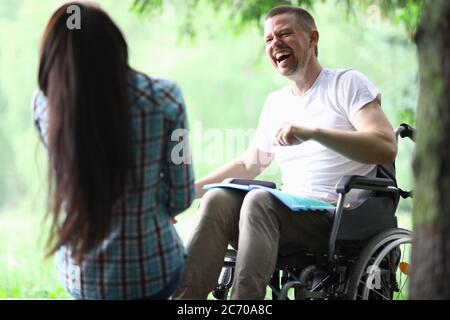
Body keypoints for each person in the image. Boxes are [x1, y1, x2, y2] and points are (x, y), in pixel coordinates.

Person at [173, 5, 397, 300]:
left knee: (259, 200)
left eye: (285, 34)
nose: (275, 43)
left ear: (312, 38)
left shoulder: (346, 84)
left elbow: (385, 145)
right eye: (268, 39)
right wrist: (187, 194)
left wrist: (312, 133)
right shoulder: (276, 102)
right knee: (217, 198)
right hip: (286, 213)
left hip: (339, 216)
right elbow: (249, 163)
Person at [32, 2, 195, 299]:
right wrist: (147, 199)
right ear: (114, 42)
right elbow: (181, 196)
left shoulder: (44, 106)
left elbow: (69, 184)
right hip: (152, 271)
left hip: (82, 276)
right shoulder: (165, 98)